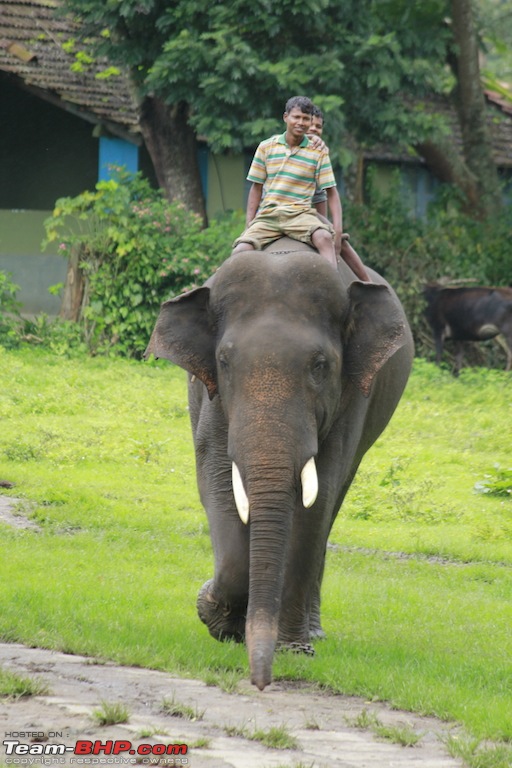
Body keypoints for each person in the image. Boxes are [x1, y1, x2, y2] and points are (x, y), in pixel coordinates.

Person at [232, 96, 340, 269]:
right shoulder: (266, 147)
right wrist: (249, 224)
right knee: (239, 251)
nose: (301, 122)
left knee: (325, 238)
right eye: (296, 117)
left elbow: (331, 193)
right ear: (286, 117)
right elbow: (256, 188)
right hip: (268, 216)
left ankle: (336, 288)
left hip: (300, 215)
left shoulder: (318, 152)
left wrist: (338, 232)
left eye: (306, 119)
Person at [308, 106, 371, 282]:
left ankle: (368, 283)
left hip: (306, 215)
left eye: (318, 127)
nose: (314, 129)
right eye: (310, 124)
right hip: (279, 210)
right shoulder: (280, 148)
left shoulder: (319, 154)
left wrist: (331, 227)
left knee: (340, 241)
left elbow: (321, 196)